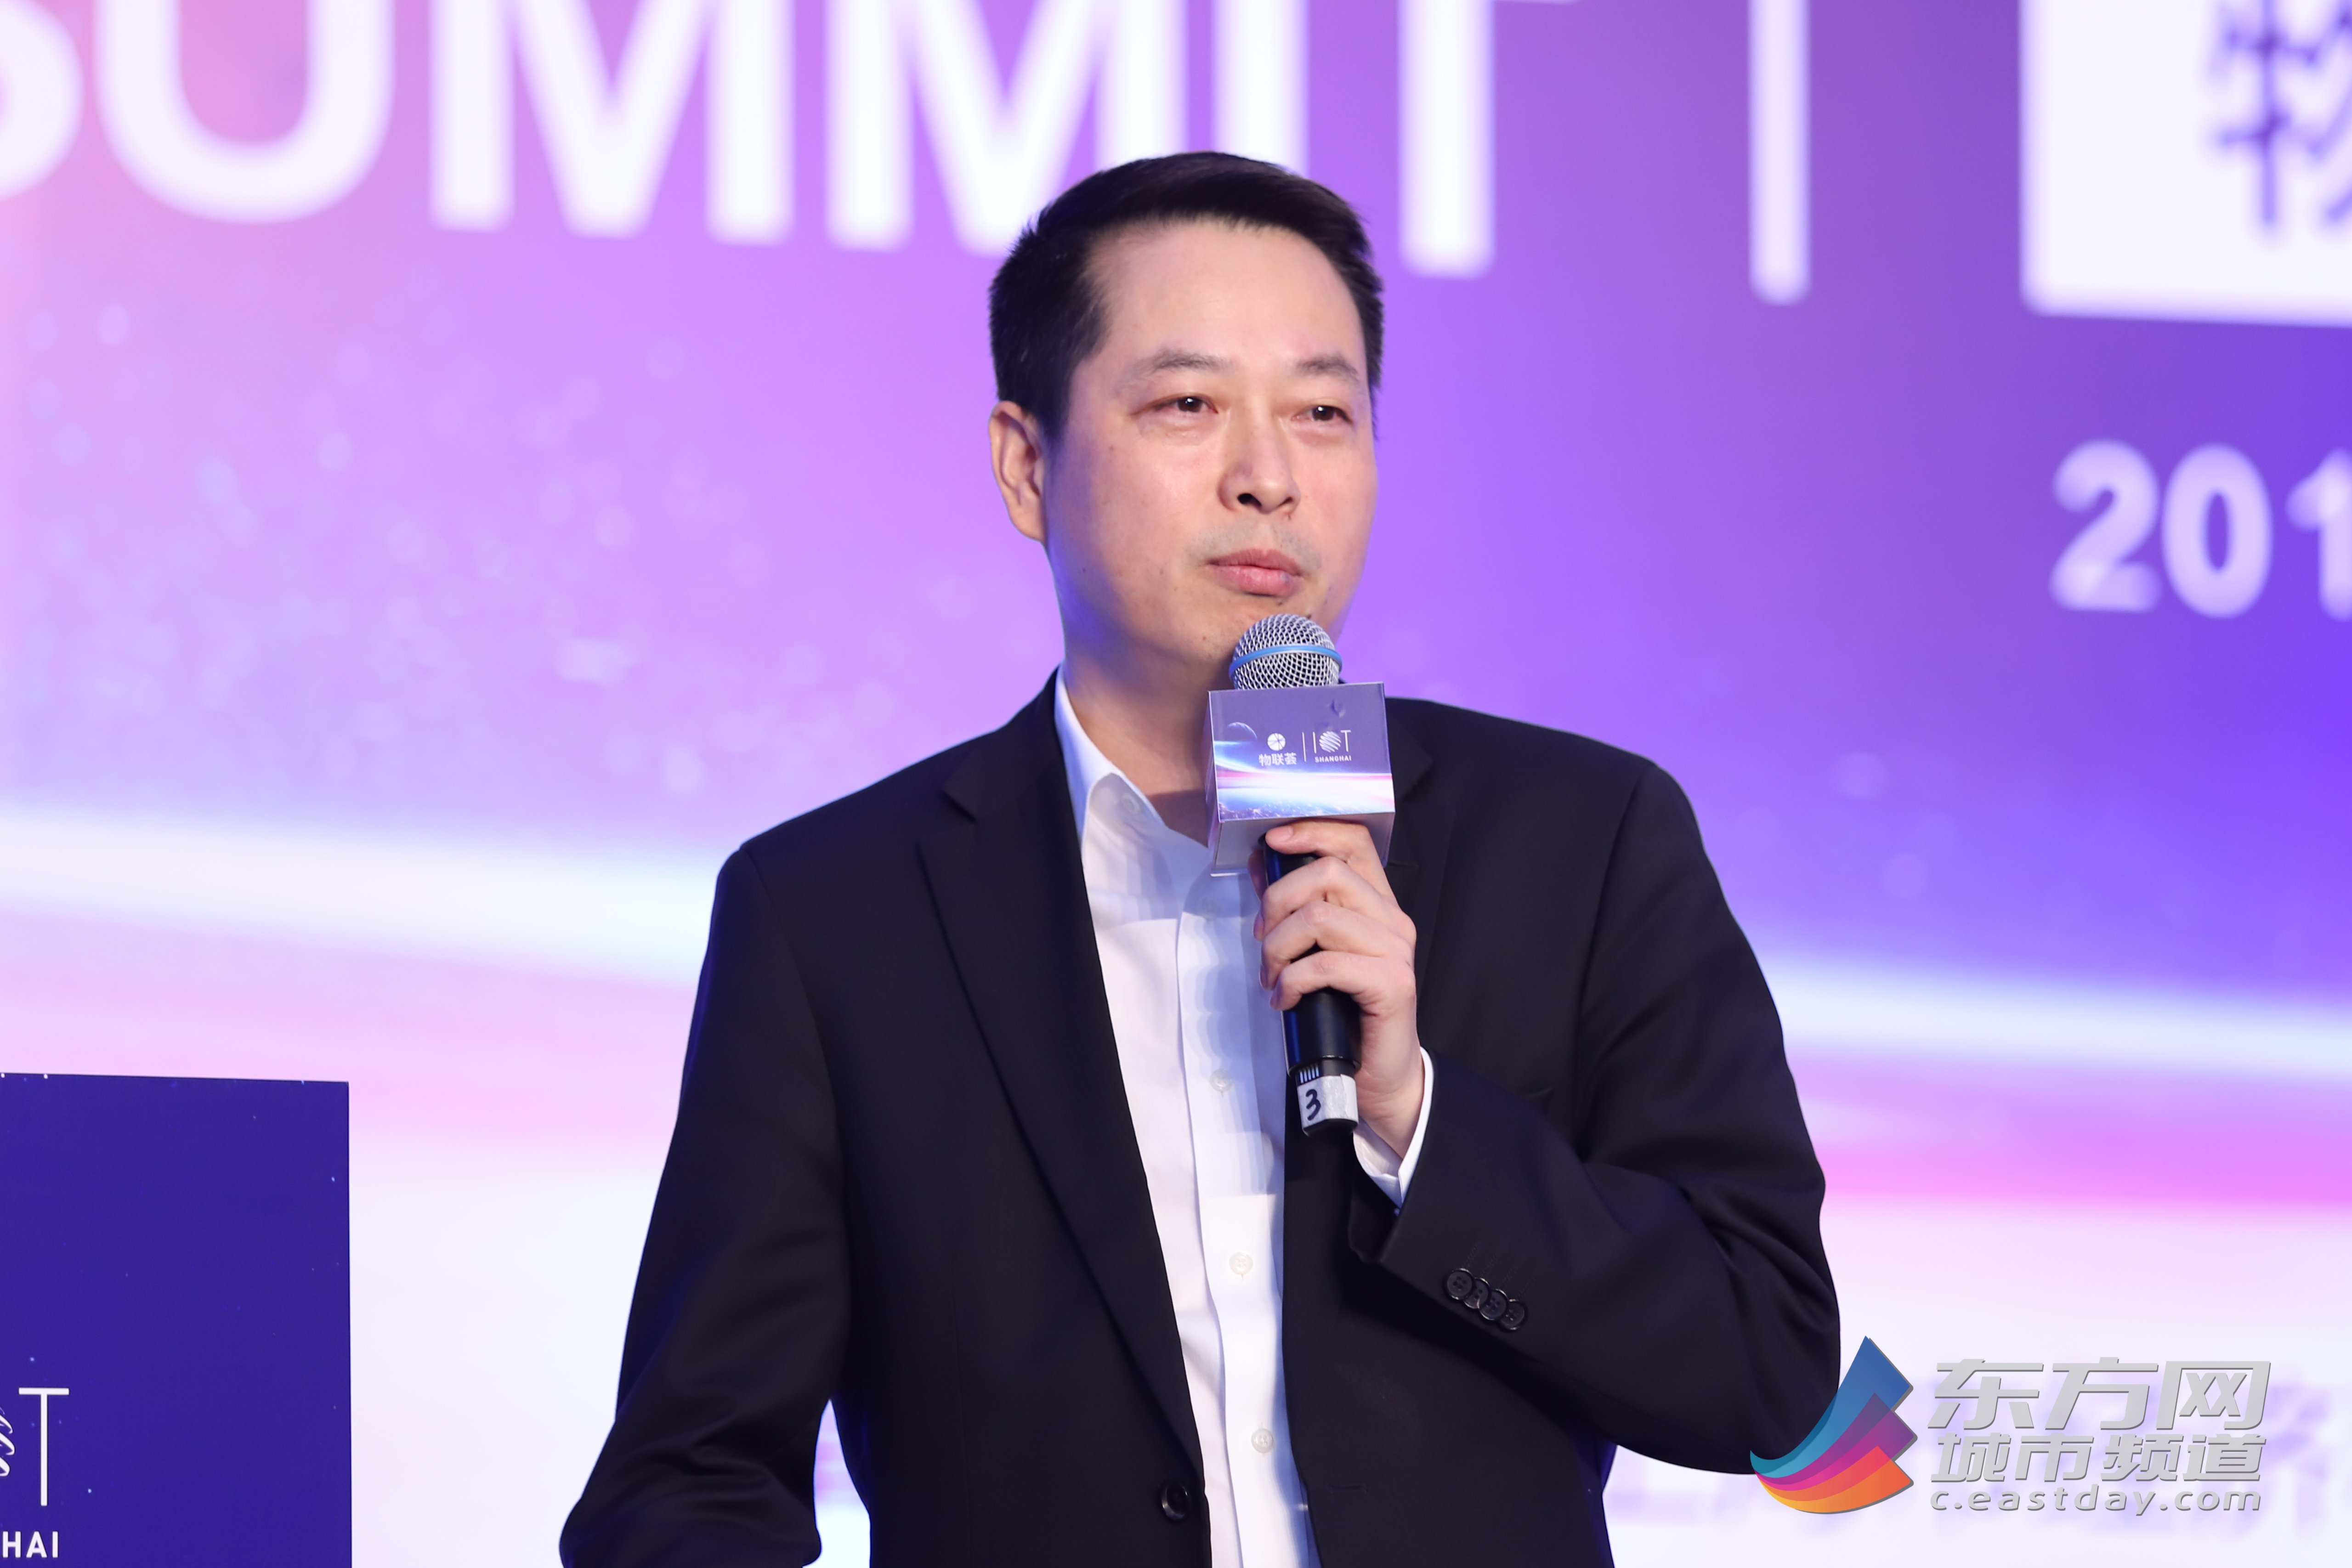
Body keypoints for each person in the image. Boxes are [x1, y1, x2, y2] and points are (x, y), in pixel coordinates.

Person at [561, 152, 1836, 1568]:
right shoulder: (836, 916)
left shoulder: (1582, 841)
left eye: (1322, 412)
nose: (1268, 477)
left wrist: (1416, 1119)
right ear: (1027, 465)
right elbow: (687, 1480)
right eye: (1188, 405)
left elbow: (1772, 1371)